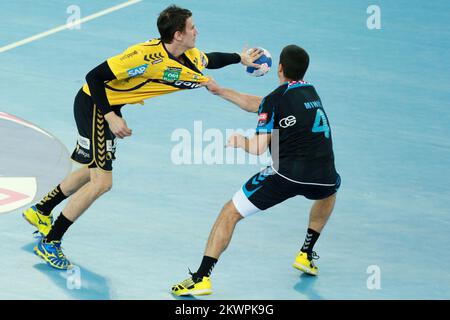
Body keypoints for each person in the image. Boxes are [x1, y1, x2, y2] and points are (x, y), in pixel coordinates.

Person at [22, 5, 262, 270]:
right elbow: (94, 77)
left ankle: (41, 210)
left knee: (95, 169)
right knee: (102, 182)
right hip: (94, 104)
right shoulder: (142, 56)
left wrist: (240, 58)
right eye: (192, 27)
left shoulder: (189, 54)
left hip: (110, 107)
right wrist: (110, 117)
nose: (197, 30)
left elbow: (211, 59)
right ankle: (51, 241)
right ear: (178, 35)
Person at [171, 44, 341, 296]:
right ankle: (306, 253)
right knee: (329, 192)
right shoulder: (309, 92)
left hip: (285, 175)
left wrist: (240, 141)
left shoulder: (275, 100)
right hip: (324, 176)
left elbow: (259, 147)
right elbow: (260, 104)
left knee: (230, 212)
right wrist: (221, 92)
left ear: (279, 67)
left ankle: (201, 277)